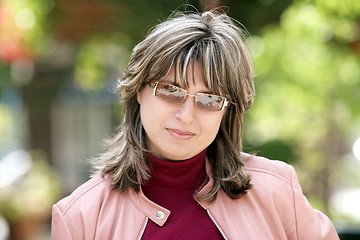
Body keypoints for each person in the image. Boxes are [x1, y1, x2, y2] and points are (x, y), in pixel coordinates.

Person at [51, 9, 339, 240]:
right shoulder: (80, 217)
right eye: (170, 89)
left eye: (210, 98)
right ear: (139, 90)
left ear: (227, 110)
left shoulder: (277, 192)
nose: (187, 115)